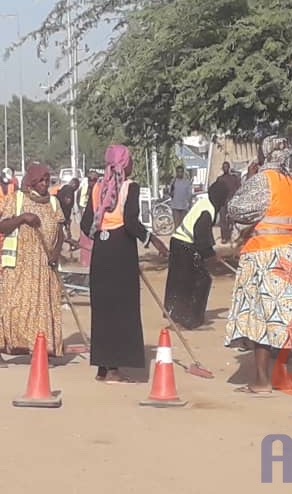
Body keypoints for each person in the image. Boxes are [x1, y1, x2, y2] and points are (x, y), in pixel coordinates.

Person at [224, 134, 292, 395]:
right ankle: (281, 376)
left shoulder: (263, 180)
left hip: (265, 255)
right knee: (286, 318)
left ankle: (261, 381)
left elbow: (236, 209)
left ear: (265, 153)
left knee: (261, 316)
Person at [82, 145, 169, 384]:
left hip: (101, 252)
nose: (132, 166)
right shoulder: (130, 187)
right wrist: (153, 240)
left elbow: (86, 224)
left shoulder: (97, 188)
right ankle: (113, 369)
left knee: (102, 309)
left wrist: (103, 232)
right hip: (121, 251)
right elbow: (131, 222)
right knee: (122, 309)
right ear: (124, 165)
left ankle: (102, 366)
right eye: (130, 161)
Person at [0, 163, 65, 367]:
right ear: (31, 182)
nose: (44, 184)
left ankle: (38, 350)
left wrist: (55, 254)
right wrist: (22, 218)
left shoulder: (53, 203)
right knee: (14, 306)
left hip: (45, 265)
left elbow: (60, 232)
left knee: (42, 307)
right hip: (20, 265)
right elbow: (3, 227)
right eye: (40, 180)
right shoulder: (17, 199)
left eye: (47, 180)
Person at [163, 180, 230, 329]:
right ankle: (189, 319)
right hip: (184, 245)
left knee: (182, 281)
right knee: (199, 280)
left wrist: (211, 251)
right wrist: (211, 255)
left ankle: (179, 317)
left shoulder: (206, 204)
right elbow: (200, 236)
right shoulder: (208, 210)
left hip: (180, 243)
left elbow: (205, 234)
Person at [77, 171, 100, 267]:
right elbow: (79, 203)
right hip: (85, 223)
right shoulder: (83, 189)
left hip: (95, 226)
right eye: (90, 179)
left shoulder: (100, 192)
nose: (92, 182)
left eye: (94, 180)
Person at [215, 162, 241, 244]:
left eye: (227, 167)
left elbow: (239, 189)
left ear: (229, 168)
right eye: (224, 167)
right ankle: (224, 237)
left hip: (232, 201)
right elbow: (216, 191)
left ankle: (231, 236)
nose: (225, 168)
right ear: (222, 168)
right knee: (223, 220)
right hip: (222, 202)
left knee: (232, 219)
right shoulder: (219, 179)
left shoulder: (234, 178)